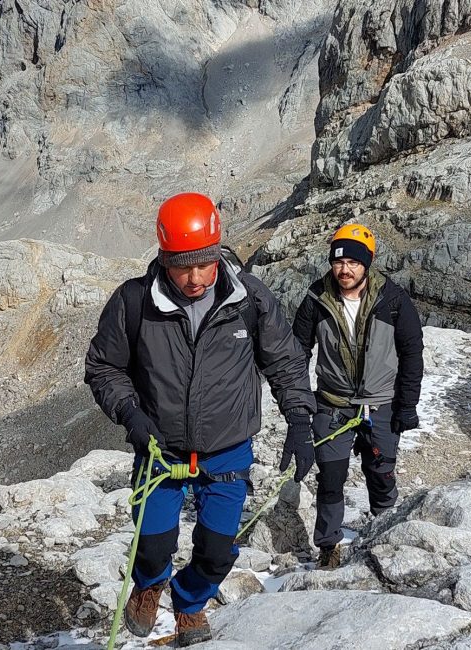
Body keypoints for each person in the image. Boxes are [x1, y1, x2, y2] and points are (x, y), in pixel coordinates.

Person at [84, 192, 316, 646]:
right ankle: (149, 583)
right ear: (164, 258)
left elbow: (285, 363)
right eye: (182, 266)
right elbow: (104, 367)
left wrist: (301, 422)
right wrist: (131, 413)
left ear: (217, 254)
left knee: (216, 550)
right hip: (160, 447)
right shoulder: (134, 302)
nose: (194, 278)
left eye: (203, 265)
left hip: (227, 448)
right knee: (152, 546)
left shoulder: (249, 298)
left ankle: (190, 601)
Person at [292, 224, 424, 569]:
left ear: (367, 263)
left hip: (381, 404)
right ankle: (329, 546)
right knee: (331, 478)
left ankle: (384, 533)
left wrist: (407, 404)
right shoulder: (315, 300)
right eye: (338, 262)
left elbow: (412, 353)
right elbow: (296, 353)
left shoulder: (393, 301)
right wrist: (299, 402)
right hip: (332, 405)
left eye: (353, 262)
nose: (344, 270)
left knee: (381, 473)